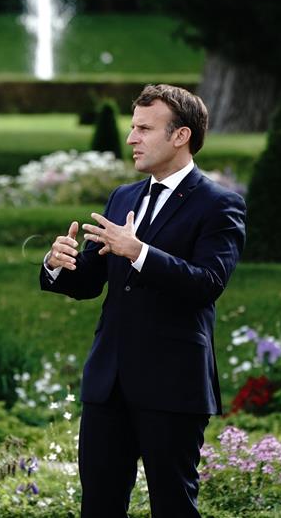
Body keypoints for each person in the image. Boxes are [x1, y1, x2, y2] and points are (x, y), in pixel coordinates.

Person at [41, 84, 245, 517]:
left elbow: (208, 282)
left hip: (173, 387)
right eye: (133, 128)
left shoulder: (220, 205)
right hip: (107, 383)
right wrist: (58, 264)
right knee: (99, 506)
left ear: (180, 136)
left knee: (173, 508)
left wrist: (139, 252)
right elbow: (89, 282)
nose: (131, 138)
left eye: (143, 129)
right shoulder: (123, 197)